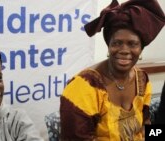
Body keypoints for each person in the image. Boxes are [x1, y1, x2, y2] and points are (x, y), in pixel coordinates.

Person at [60, 0, 165, 140]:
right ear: (108, 46)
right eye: (117, 43)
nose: (124, 50)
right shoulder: (83, 88)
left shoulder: (142, 79)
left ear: (141, 49)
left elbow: (146, 127)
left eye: (132, 44)